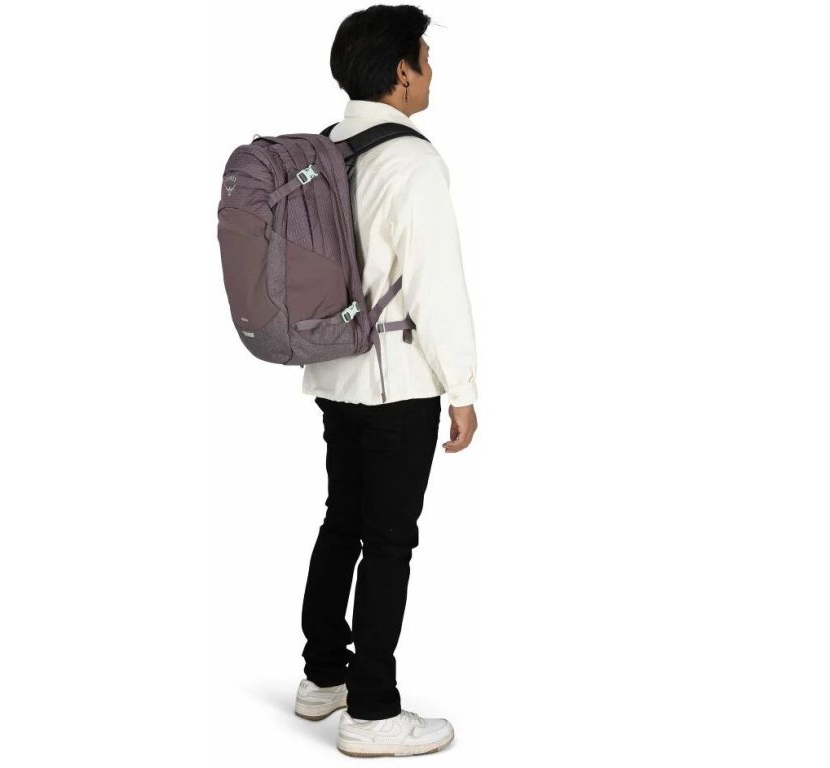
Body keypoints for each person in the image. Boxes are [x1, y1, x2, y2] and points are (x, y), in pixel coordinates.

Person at [294, 4, 478, 758]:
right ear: (401, 70)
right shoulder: (412, 161)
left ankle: (322, 678)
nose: (431, 72)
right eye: (426, 59)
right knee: (390, 541)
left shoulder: (325, 149)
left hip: (333, 367)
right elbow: (437, 287)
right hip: (398, 379)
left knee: (342, 520)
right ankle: (372, 712)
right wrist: (463, 387)